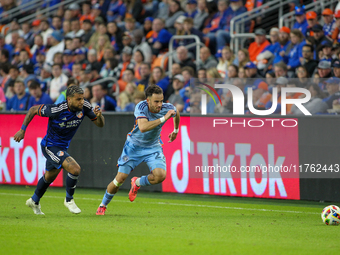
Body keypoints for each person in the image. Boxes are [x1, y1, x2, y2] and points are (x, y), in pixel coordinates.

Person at [13, 86, 105, 215]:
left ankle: (34, 201)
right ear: (69, 100)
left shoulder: (85, 107)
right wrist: (22, 130)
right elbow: (33, 110)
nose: (81, 101)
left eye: (83, 98)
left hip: (62, 147)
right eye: (78, 99)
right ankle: (69, 200)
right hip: (50, 146)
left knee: (49, 177)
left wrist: (99, 116)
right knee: (75, 169)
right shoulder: (56, 109)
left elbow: (100, 124)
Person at [96, 85, 180, 215]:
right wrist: (164, 118)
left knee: (160, 176)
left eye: (161, 101)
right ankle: (103, 205)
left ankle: (137, 182)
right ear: (148, 101)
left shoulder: (167, 108)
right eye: (156, 101)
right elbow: (143, 127)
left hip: (153, 147)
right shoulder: (141, 107)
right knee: (120, 179)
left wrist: (175, 130)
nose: (160, 105)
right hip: (133, 147)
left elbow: (176, 113)